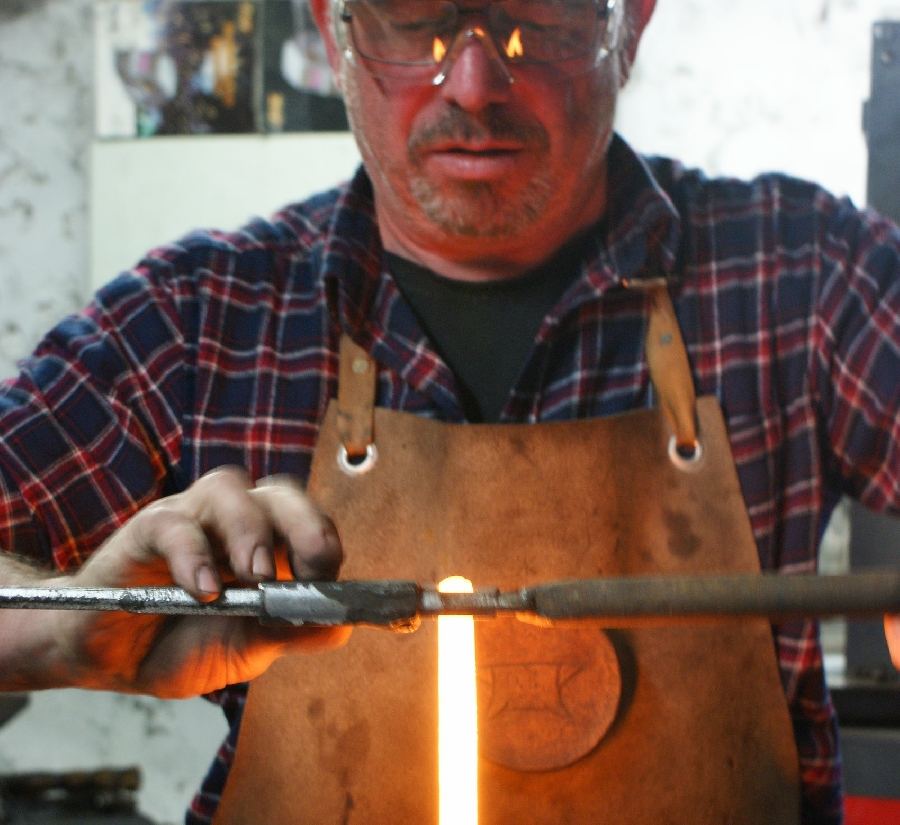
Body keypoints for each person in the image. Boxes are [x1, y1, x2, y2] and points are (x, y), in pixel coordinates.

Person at [0, 0, 897, 821]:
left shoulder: (805, 277)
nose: (473, 84)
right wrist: (64, 626)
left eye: (535, 20)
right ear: (333, 30)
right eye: (413, 20)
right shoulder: (199, 321)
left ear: (632, 23)